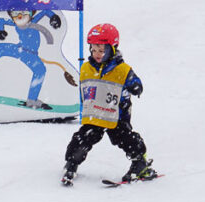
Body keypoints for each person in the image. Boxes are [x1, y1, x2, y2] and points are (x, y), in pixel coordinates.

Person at [61, 23, 154, 186]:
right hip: (95, 114)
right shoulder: (86, 68)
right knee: (84, 137)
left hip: (116, 114)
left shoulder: (122, 70)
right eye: (94, 49)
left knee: (124, 137)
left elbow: (136, 83)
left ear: (112, 49)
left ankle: (140, 162)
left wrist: (135, 87)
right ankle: (71, 162)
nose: (97, 54)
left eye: (101, 50)